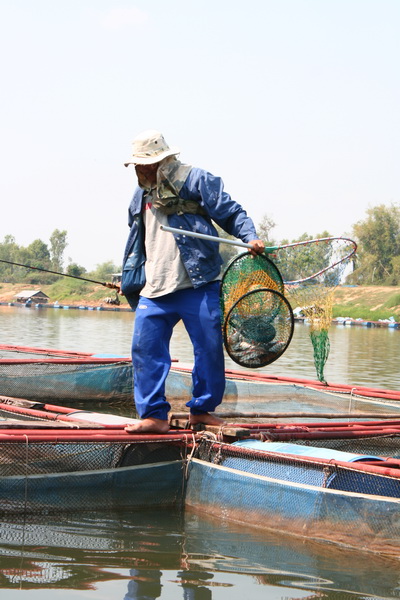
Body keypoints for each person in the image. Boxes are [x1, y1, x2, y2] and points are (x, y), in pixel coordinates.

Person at [121, 129, 264, 433]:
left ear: (162, 160)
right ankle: (154, 416)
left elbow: (231, 212)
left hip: (197, 283)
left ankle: (201, 410)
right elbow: (137, 241)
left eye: (145, 164)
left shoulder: (196, 179)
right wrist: (130, 279)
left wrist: (250, 237)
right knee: (145, 350)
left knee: (208, 346)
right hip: (154, 288)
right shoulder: (140, 194)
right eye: (137, 165)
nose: (140, 170)